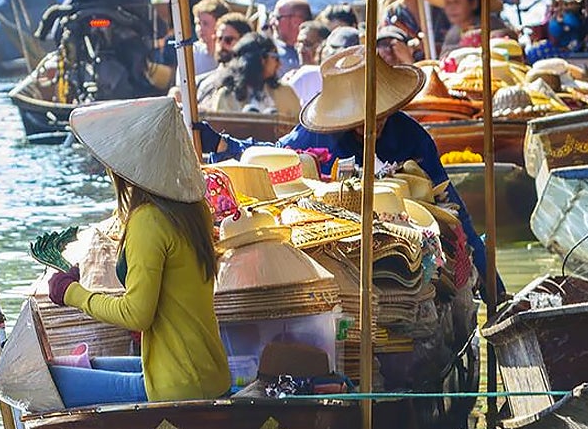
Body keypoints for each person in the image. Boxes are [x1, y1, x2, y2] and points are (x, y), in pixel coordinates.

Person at [198, 47, 492, 287]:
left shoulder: (412, 136)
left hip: (406, 245)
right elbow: (276, 158)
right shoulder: (316, 134)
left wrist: (492, 282)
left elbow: (451, 203)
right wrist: (222, 145)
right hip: (337, 244)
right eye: (364, 116)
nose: (374, 122)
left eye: (381, 114)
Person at [44, 97, 229, 404]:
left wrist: (71, 293)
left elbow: (137, 315)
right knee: (84, 365)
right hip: (206, 373)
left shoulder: (148, 220)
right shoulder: (192, 210)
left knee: (48, 378)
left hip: (178, 387)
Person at [196, 34, 301, 122]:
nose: (279, 64)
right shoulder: (226, 96)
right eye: (275, 57)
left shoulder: (285, 92)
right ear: (261, 59)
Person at [282, 21, 329, 107]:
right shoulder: (291, 77)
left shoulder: (333, 79)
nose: (301, 49)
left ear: (322, 46)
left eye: (307, 44)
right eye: (299, 43)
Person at [270, 0, 312, 74]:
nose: (272, 22)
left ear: (295, 21)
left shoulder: (317, 54)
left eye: (277, 17)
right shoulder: (268, 54)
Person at [190, 0, 230, 76]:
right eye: (197, 23)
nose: (199, 28)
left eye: (205, 23)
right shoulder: (191, 53)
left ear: (220, 25)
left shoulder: (230, 54)